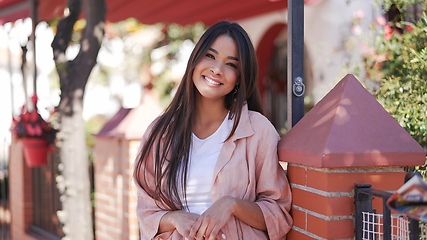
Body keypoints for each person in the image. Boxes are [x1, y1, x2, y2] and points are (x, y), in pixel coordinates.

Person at [133, 20, 293, 240]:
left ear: (239, 77)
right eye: (210, 56)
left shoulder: (257, 130)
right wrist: (174, 218)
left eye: (231, 64)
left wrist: (232, 206)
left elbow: (278, 212)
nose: (217, 69)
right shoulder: (159, 134)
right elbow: (146, 211)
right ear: (195, 60)